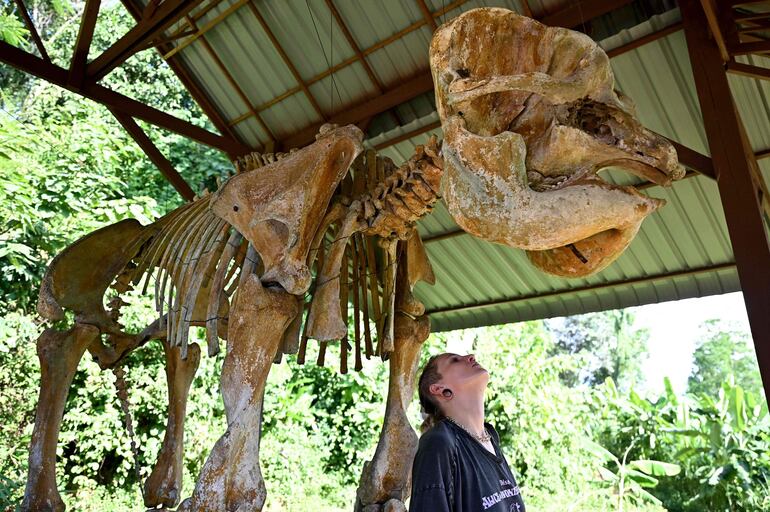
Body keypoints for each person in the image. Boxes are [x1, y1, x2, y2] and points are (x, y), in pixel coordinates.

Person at [409, 353, 526, 512]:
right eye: (455, 360)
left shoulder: (490, 437)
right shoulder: (438, 443)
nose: (471, 356)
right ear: (439, 389)